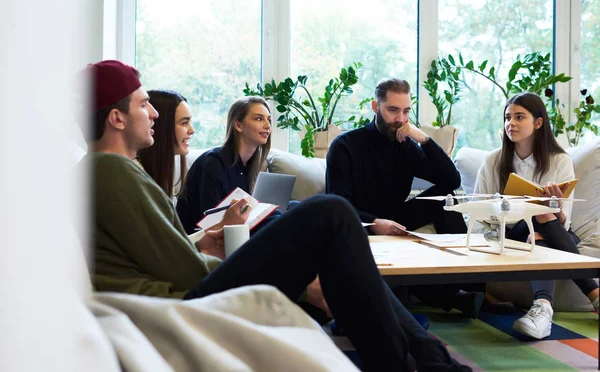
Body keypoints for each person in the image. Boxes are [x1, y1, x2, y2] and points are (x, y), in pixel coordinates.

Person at [76, 60, 471, 371]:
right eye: (144, 104)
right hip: (183, 301)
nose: (154, 115)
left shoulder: (113, 172)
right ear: (116, 118)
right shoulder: (111, 171)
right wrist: (297, 281)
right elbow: (181, 270)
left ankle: (426, 360)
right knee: (329, 212)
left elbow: (157, 252)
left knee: (316, 223)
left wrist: (207, 242)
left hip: (183, 288)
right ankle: (423, 361)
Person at [326, 77, 484, 317]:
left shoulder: (405, 145)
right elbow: (337, 203)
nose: (400, 119)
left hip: (397, 219)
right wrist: (374, 222)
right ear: (375, 107)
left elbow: (451, 181)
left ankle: (472, 285)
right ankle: (456, 297)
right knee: (345, 214)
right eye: (392, 110)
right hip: (358, 222)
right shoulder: (345, 145)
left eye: (406, 111)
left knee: (447, 196)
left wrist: (425, 140)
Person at [473, 91, 599, 339]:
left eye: (520, 117)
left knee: (542, 225)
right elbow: (478, 211)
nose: (511, 123)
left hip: (551, 232)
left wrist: (553, 207)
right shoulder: (492, 161)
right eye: (508, 117)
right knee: (539, 219)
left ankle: (542, 308)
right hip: (508, 232)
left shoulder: (560, 160)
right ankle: (594, 293)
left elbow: (564, 221)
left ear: (538, 123)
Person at [176, 96, 273, 234]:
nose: (267, 125)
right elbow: (210, 224)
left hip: (238, 233)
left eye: (268, 119)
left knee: (292, 207)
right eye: (259, 118)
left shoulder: (255, 167)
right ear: (238, 125)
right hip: (204, 240)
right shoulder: (213, 163)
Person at [137, 89, 194, 198]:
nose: (192, 130)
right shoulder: (139, 176)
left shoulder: (163, 172)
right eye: (184, 123)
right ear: (161, 127)